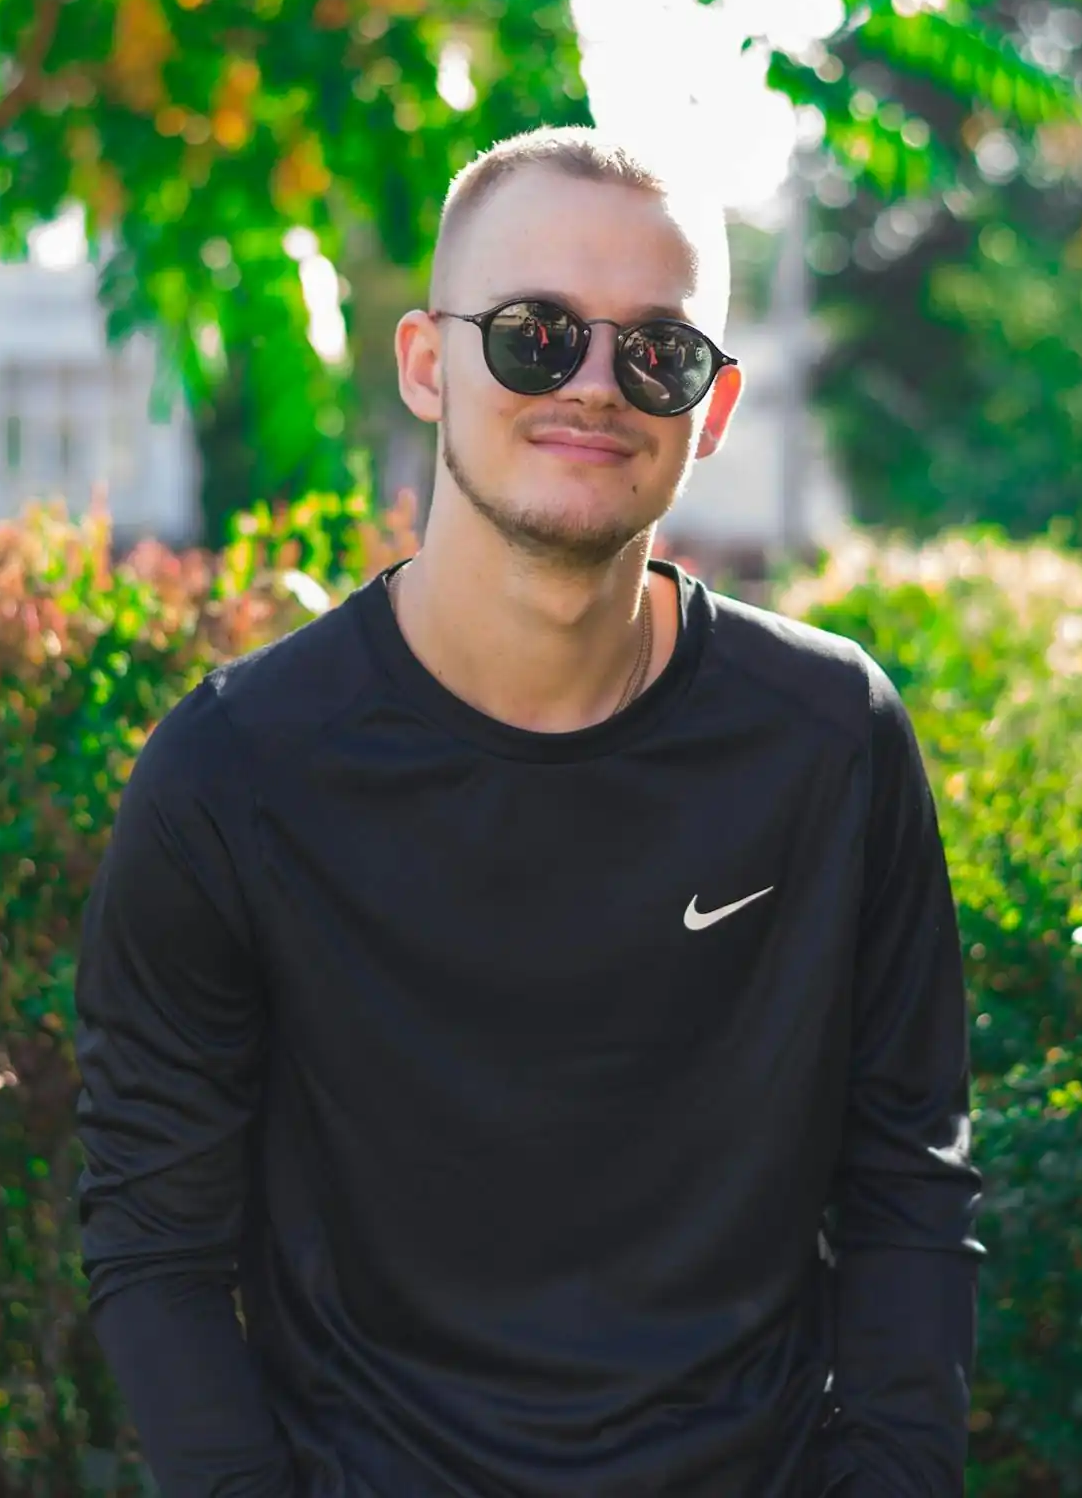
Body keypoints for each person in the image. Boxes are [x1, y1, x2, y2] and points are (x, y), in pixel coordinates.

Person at [74, 126, 983, 1498]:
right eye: (536, 335)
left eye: (658, 351)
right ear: (427, 364)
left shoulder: (827, 736)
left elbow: (910, 1176)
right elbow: (157, 1244)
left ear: (711, 407)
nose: (596, 387)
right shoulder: (237, 771)